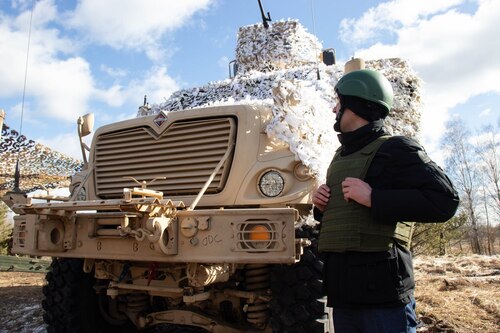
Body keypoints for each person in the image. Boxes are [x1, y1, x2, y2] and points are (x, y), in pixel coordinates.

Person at [312, 68, 459, 333]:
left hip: (383, 296)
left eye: (339, 102)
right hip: (344, 294)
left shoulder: (398, 148)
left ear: (356, 105)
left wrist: (374, 198)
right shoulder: (339, 156)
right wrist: (322, 207)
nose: (334, 109)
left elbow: (446, 200)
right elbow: (347, 217)